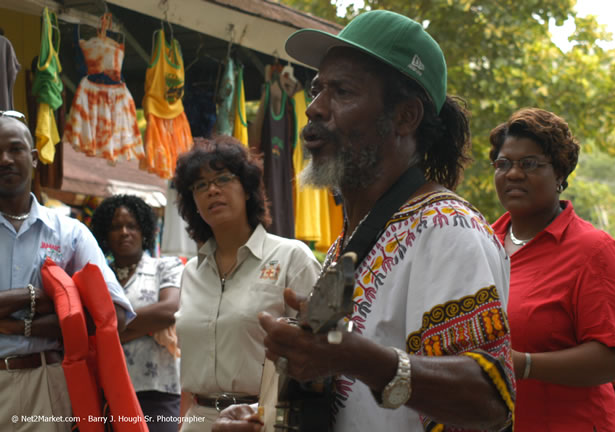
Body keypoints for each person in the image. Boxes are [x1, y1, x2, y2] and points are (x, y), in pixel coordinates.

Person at [214, 10, 514, 432]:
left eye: (343, 91)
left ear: (405, 117)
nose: (315, 108)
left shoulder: (447, 228)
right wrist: (268, 413)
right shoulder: (353, 238)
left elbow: (489, 401)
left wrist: (353, 356)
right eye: (317, 89)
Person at [489, 107, 615, 431]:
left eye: (529, 164)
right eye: (504, 164)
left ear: (559, 173)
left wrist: (524, 365)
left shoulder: (594, 251)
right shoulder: (481, 243)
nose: (513, 174)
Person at [172, 135, 322, 431]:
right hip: (199, 420)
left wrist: (262, 409)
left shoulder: (291, 257)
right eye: (200, 185)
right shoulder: (192, 272)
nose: (212, 190)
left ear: (247, 189)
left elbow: (319, 355)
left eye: (223, 179)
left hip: (261, 420)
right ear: (193, 202)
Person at [0, 110, 135, 431]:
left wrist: (20, 320)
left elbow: (111, 315)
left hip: (49, 384)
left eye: (15, 149)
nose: (4, 159)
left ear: (34, 158)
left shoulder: (70, 233)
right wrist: (50, 300)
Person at [90, 194, 184, 432]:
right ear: (104, 234)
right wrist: (145, 327)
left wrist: (109, 333)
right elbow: (88, 327)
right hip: (108, 391)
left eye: (131, 225)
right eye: (115, 227)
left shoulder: (166, 266)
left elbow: (170, 310)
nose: (124, 232)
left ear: (144, 230)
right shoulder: (98, 277)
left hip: (158, 389)